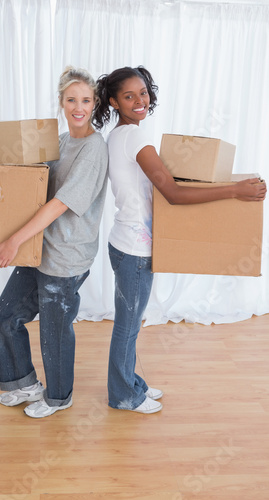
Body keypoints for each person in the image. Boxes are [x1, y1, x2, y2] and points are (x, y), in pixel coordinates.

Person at [92, 66, 266, 414]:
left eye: (142, 92)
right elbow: (172, 193)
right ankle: (123, 395)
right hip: (134, 248)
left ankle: (131, 382)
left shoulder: (120, 135)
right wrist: (234, 190)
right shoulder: (136, 139)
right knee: (128, 326)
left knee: (132, 322)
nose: (140, 100)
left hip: (127, 242)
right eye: (129, 96)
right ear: (114, 101)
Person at [0, 66, 108, 418]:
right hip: (40, 249)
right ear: (61, 102)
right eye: (71, 99)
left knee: (53, 331)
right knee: (5, 316)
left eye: (86, 100)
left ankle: (59, 397)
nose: (78, 106)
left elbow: (59, 204)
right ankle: (22, 383)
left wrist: (13, 241)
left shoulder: (93, 148)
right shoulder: (60, 140)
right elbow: (36, 184)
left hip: (67, 256)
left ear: (94, 103)